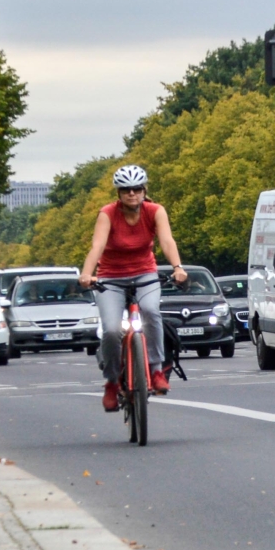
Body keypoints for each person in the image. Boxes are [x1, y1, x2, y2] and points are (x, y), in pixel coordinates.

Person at [79, 164, 186, 411]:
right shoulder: (107, 213)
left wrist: (177, 267)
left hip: (145, 275)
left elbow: (167, 241)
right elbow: (97, 246)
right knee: (111, 330)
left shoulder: (155, 211)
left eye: (136, 189)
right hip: (110, 279)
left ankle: (157, 370)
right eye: (126, 189)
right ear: (118, 193)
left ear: (144, 190)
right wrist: (87, 274)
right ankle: (111, 383)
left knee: (151, 312)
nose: (131, 194)